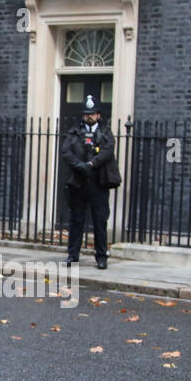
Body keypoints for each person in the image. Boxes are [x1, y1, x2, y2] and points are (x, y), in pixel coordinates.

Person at [60, 95, 117, 269]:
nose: (89, 116)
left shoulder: (106, 132)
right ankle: (72, 255)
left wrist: (92, 163)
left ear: (99, 115)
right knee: (76, 220)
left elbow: (108, 151)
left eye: (93, 114)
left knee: (100, 221)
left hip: (98, 183)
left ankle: (101, 257)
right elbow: (65, 151)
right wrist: (80, 165)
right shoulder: (74, 131)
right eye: (87, 114)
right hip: (78, 183)